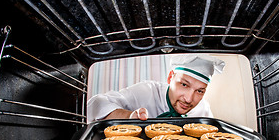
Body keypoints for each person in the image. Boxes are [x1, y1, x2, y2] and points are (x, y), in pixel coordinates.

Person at [87, 54, 225, 123]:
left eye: (199, 91)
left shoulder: (204, 109)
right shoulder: (147, 92)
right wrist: (128, 117)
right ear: (170, 77)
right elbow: (95, 104)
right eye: (184, 84)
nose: (189, 99)